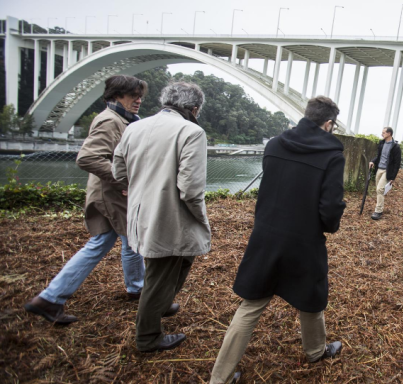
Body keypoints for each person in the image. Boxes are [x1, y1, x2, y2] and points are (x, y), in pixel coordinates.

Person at [209, 96, 346, 384]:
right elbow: (331, 207)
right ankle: (315, 351)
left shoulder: (274, 145)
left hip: (266, 234)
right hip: (305, 239)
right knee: (311, 298)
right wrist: (328, 226)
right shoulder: (332, 155)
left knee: (251, 304)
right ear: (329, 123)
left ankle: (219, 378)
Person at [23, 75, 153, 325]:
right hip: (111, 196)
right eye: (133, 95)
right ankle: (137, 290)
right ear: (116, 95)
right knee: (129, 241)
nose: (138, 100)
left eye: (140, 96)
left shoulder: (120, 119)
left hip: (111, 194)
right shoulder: (109, 120)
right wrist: (126, 179)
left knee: (111, 243)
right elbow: (87, 158)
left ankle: (51, 298)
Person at [112, 81, 211, 353]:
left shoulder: (134, 127)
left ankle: (163, 303)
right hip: (170, 216)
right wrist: (201, 220)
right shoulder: (191, 131)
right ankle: (148, 336)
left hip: (140, 213)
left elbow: (118, 172)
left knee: (175, 262)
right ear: (193, 108)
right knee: (161, 273)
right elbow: (191, 189)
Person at [368, 127, 401, 220]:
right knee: (378, 190)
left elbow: (397, 163)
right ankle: (379, 207)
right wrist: (372, 161)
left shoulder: (395, 147)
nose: (382, 134)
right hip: (379, 169)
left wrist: (393, 177)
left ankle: (378, 211)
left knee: (380, 189)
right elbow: (379, 156)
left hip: (387, 171)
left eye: (383, 133)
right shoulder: (381, 143)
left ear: (389, 133)